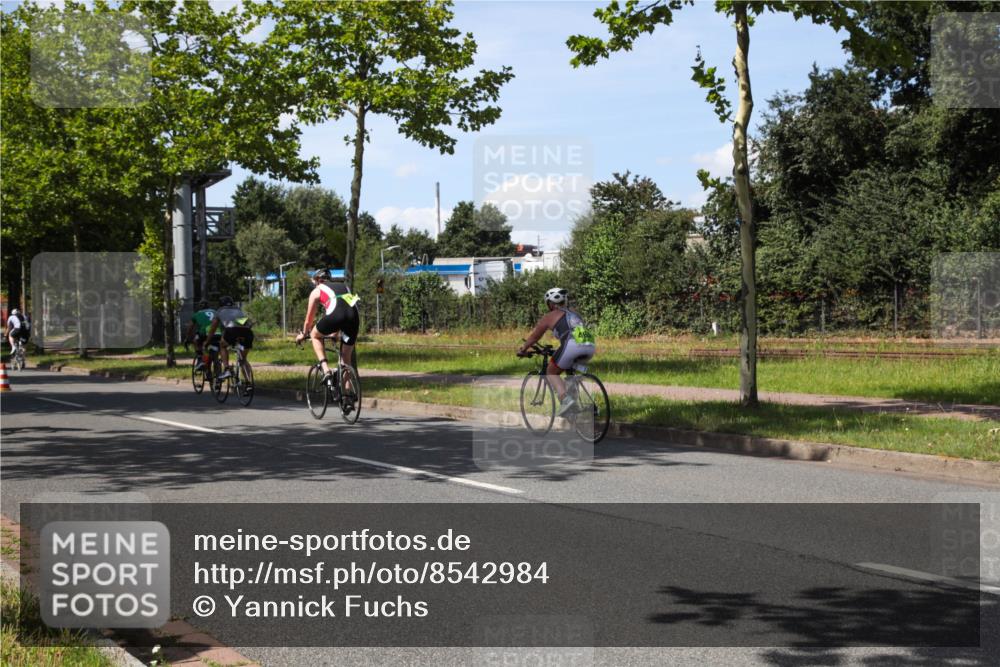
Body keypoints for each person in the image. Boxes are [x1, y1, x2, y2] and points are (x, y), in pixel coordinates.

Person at [516, 288, 596, 416]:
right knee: (569, 371)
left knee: (551, 371)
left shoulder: (549, 317)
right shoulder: (574, 314)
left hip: (572, 345)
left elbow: (535, 337)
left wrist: (523, 349)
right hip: (590, 345)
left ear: (550, 303)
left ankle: (565, 399)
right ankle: (576, 407)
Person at [295, 269, 360, 380]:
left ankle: (326, 370)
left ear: (317, 280)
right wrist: (335, 333)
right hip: (354, 317)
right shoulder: (344, 286)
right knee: (346, 360)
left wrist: (303, 334)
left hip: (336, 315)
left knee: (314, 335)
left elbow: (308, 320)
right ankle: (348, 394)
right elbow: (343, 309)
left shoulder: (317, 290)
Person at [206, 296, 253, 379]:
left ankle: (227, 369)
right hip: (247, 332)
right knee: (243, 360)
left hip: (231, 330)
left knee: (222, 345)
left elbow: (213, 329)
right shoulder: (238, 310)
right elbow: (247, 323)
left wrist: (207, 341)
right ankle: (248, 383)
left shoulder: (220, 311)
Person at [183, 300, 218, 370]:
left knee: (196, 340)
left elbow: (190, 328)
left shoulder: (197, 314)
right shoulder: (215, 312)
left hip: (204, 333)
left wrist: (187, 338)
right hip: (217, 333)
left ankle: (200, 359)